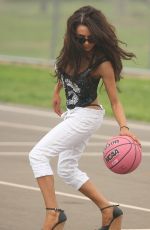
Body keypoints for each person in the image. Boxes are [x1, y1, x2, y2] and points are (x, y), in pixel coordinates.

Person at [29, 5, 141, 230]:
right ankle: (109, 210)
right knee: (67, 170)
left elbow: (115, 101)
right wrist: (56, 92)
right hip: (72, 114)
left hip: (87, 116)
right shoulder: (70, 52)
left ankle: (53, 214)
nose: (87, 44)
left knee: (37, 155)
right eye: (81, 39)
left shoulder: (102, 63)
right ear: (73, 37)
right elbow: (64, 71)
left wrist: (124, 127)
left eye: (91, 39)